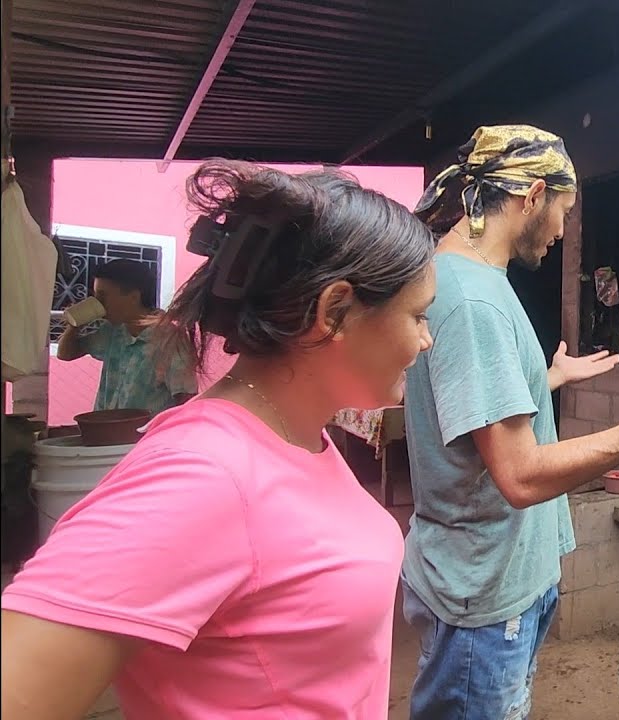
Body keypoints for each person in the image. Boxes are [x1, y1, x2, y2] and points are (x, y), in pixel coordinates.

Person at [1, 160, 436, 719]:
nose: (426, 341)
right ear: (336, 311)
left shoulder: (296, 437)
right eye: (418, 316)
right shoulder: (202, 473)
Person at [402, 124, 619, 720]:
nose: (562, 230)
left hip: (496, 579)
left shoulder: (469, 281)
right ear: (531, 196)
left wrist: (545, 380)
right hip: (487, 591)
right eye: (562, 211)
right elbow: (521, 475)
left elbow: (470, 402)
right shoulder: (475, 299)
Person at [56, 258, 198, 415]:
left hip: (145, 436)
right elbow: (65, 354)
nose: (98, 303)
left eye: (102, 297)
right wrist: (75, 324)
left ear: (133, 297)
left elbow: (186, 398)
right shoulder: (113, 331)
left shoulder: (169, 339)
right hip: (107, 432)